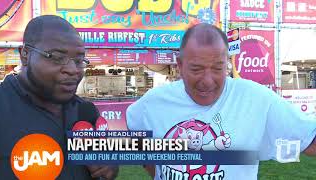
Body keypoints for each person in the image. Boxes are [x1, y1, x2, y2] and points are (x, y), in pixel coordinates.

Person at [126, 23, 316, 180]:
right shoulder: (153, 103)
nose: (208, 80)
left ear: (227, 63)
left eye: (218, 68)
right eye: (197, 69)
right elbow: (138, 138)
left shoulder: (255, 98)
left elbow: (310, 139)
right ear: (180, 66)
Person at [0, 15, 118, 179]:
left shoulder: (85, 111)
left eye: (79, 60)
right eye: (57, 57)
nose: (73, 69)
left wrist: (110, 165)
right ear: (25, 54)